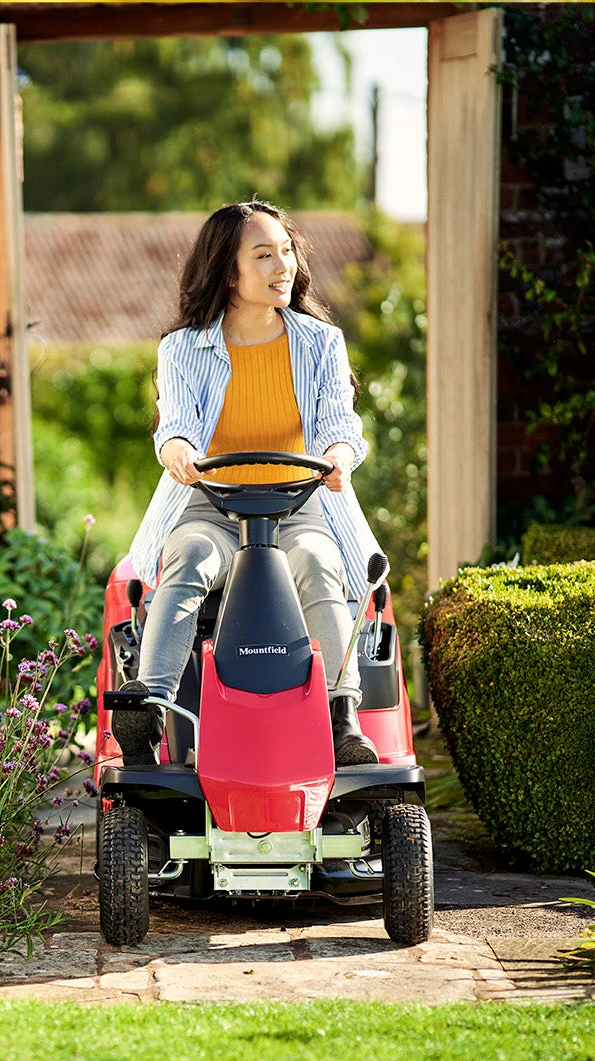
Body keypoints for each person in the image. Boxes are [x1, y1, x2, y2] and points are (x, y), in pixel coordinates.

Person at [112, 199, 384, 767]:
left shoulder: (319, 343)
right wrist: (179, 448)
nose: (281, 265)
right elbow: (179, 424)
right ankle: (151, 707)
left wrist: (337, 453)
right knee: (184, 558)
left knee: (318, 562)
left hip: (298, 506)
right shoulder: (182, 349)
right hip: (212, 506)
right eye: (263, 255)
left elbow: (338, 422)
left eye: (286, 251)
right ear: (226, 271)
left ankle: (343, 720)